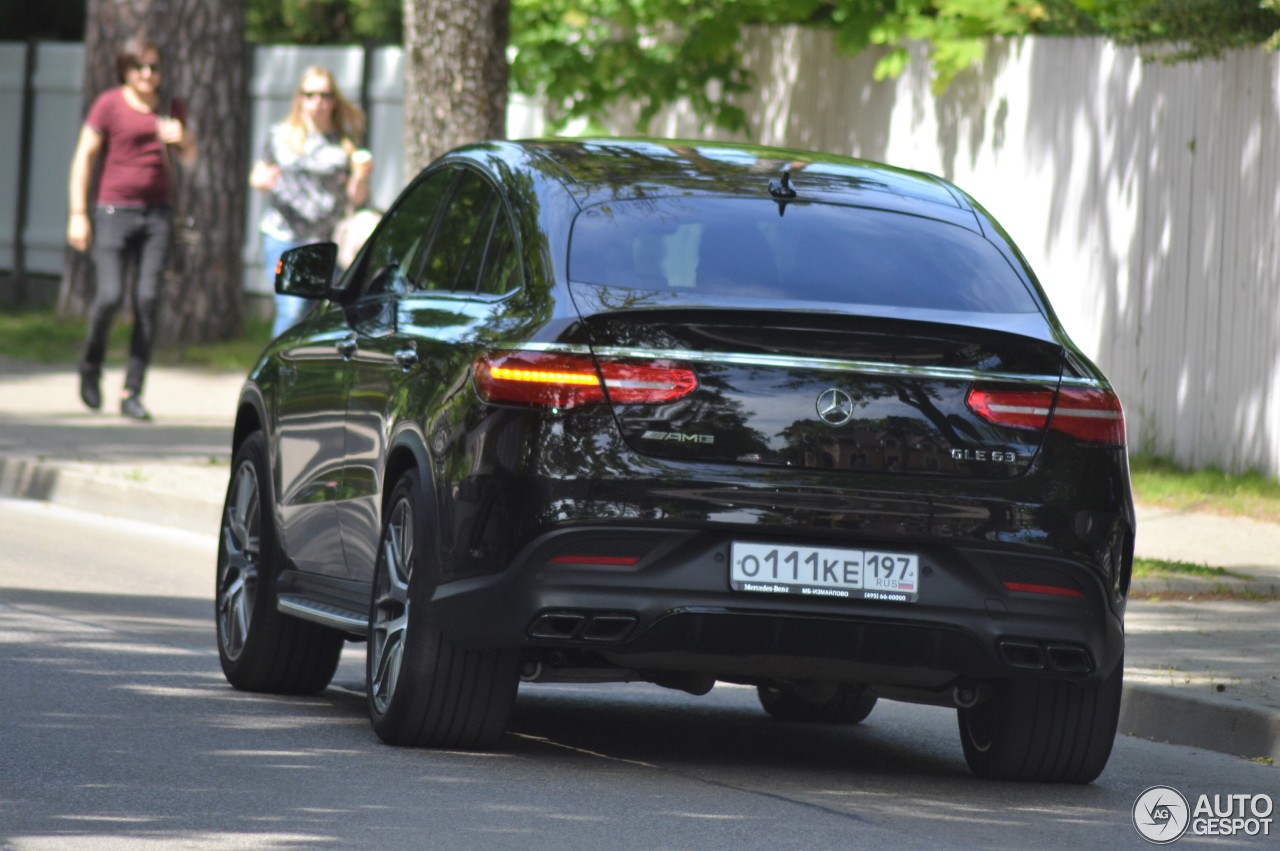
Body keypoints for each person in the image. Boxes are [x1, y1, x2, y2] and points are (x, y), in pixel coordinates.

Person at [67, 34, 198, 421]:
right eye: (140, 67)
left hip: (158, 215)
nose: (148, 74)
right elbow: (84, 157)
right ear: (125, 69)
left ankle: (132, 390)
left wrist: (183, 138)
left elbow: (189, 159)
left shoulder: (171, 107)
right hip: (113, 212)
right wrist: (78, 213)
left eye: (154, 68)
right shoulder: (109, 104)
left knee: (147, 301)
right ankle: (91, 365)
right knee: (108, 296)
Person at [250, 66, 372, 338]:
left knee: (318, 315)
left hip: (324, 241)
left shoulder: (345, 143)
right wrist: (262, 179)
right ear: (300, 99)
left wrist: (361, 178)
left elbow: (357, 198)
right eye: (310, 94)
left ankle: (303, 372)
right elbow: (258, 175)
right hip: (285, 236)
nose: (317, 102)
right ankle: (278, 372)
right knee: (292, 308)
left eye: (325, 95)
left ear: (334, 100)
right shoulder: (280, 135)